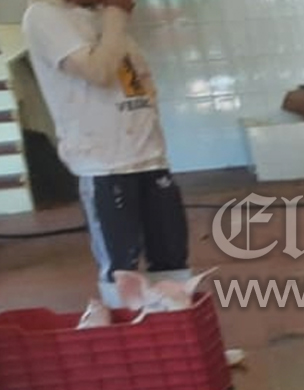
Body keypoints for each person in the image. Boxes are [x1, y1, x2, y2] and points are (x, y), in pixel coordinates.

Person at [22, 0, 191, 307]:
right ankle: (129, 329)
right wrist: (117, 12)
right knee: (121, 267)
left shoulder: (97, 16)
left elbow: (139, 81)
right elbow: (99, 73)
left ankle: (176, 325)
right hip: (105, 165)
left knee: (172, 258)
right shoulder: (44, 15)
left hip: (149, 158)